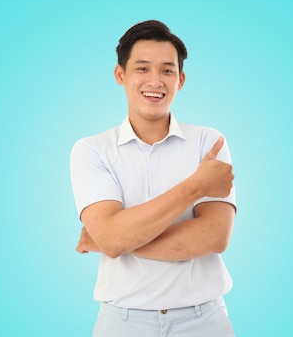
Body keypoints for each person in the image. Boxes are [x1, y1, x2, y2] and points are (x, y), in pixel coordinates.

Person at [69, 20, 237, 337]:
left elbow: (214, 237)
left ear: (181, 80)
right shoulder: (92, 150)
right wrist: (195, 186)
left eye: (167, 70)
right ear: (120, 75)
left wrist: (110, 240)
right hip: (122, 323)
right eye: (142, 69)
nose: (155, 81)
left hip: (205, 321)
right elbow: (112, 239)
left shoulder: (208, 142)